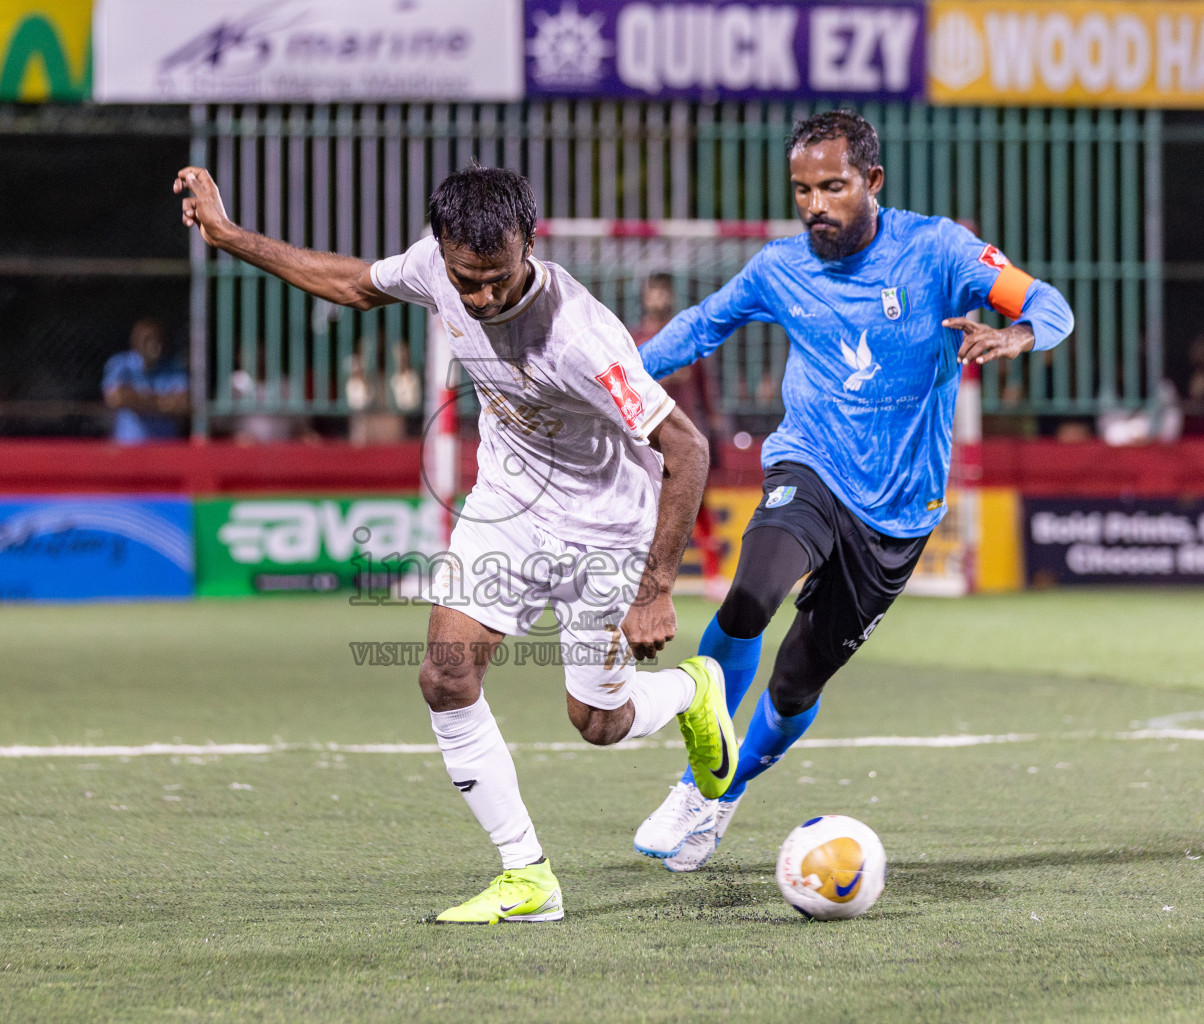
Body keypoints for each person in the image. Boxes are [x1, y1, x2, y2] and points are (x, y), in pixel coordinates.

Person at [177, 162, 737, 923]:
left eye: (497, 279)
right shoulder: (437, 267)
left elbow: (688, 447)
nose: (479, 297)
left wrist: (655, 589)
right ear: (442, 249)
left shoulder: (582, 335)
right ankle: (527, 876)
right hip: (508, 506)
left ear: (528, 245)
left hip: (607, 525)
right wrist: (230, 235)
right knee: (445, 676)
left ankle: (692, 691)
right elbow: (352, 284)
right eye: (464, 278)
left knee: (599, 724)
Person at [632, 110, 1075, 872]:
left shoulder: (936, 250)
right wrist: (610, 379)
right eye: (802, 189)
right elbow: (701, 327)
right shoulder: (780, 267)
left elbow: (1050, 304)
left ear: (871, 181)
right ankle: (696, 781)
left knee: (799, 679)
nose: (814, 205)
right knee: (750, 597)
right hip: (810, 464)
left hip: (900, 511)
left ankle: (724, 796)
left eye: (832, 187)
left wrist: (1017, 334)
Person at [631, 272, 726, 600]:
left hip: (681, 433)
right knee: (637, 506)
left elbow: (703, 390)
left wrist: (712, 428)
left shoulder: (684, 337)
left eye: (662, 292)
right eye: (652, 291)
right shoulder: (632, 339)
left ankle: (714, 574)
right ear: (644, 296)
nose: (657, 297)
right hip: (643, 436)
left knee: (697, 504)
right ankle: (631, 577)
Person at [102, 318, 189, 444]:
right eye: (147, 339)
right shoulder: (120, 364)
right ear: (135, 342)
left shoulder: (173, 367)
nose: (154, 344)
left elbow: (182, 403)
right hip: (129, 446)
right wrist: (163, 402)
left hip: (166, 447)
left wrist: (138, 401)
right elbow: (116, 399)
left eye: (158, 339)